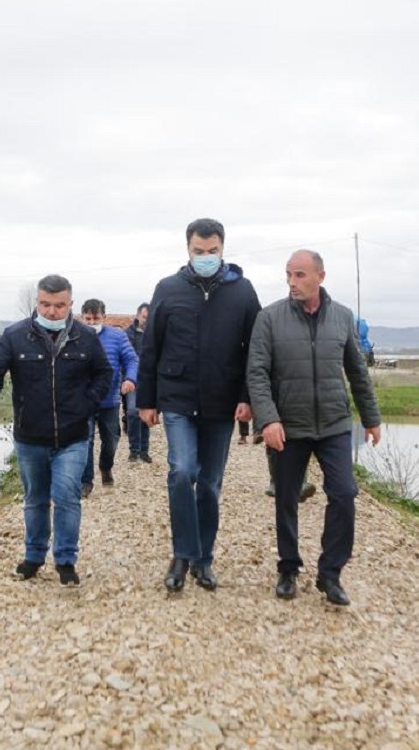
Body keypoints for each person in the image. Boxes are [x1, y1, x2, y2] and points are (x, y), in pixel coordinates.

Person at [246, 250, 382, 606]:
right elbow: (257, 373)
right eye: (288, 275)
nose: (292, 282)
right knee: (286, 497)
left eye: (300, 275)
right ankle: (288, 567)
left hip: (334, 423)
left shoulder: (342, 318)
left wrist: (371, 418)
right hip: (288, 426)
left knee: (344, 493)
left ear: (320, 276)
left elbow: (357, 371)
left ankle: (331, 573)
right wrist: (269, 419)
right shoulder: (269, 318)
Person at [138, 218, 261, 592]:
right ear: (187, 250)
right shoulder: (168, 289)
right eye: (198, 251)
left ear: (223, 249)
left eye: (212, 251)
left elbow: (255, 351)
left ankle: (203, 559)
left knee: (209, 483)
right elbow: (151, 347)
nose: (205, 257)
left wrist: (247, 397)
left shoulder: (242, 292)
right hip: (176, 397)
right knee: (181, 471)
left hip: (221, 402)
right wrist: (146, 400)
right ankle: (182, 554)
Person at [0, 274, 112, 586]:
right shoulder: (15, 336)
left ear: (70, 304)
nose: (52, 311)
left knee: (66, 496)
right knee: (35, 498)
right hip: (30, 437)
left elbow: (104, 374)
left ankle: (65, 559)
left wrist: (86, 404)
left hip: (73, 436)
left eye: (59, 305)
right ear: (37, 303)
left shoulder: (85, 337)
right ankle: (34, 556)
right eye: (46, 305)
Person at [79, 298, 139, 497]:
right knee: (84, 440)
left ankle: (106, 466)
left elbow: (132, 359)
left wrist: (130, 378)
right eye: (88, 318)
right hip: (84, 399)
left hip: (110, 399)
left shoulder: (117, 336)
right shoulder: (75, 336)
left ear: (104, 316)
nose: (91, 322)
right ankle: (86, 481)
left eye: (96, 318)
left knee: (111, 439)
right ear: (82, 317)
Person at [123, 302, 152, 463]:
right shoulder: (128, 334)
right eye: (144, 317)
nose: (146, 320)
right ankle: (134, 449)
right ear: (138, 315)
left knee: (146, 414)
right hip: (133, 379)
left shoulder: (154, 335)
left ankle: (144, 450)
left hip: (149, 380)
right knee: (133, 413)